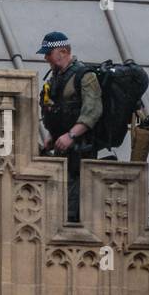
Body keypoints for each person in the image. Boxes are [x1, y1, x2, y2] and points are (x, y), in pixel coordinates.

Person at [37, 31, 101, 222]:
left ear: (63, 51)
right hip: (61, 149)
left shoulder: (84, 76)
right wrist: (52, 135)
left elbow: (92, 111)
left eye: (49, 53)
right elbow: (57, 109)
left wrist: (70, 136)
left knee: (71, 208)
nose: (46, 58)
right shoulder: (55, 77)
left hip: (80, 151)